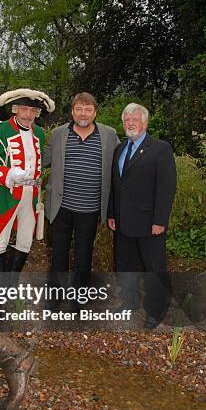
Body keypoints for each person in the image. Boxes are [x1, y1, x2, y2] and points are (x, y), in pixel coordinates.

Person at [107, 102, 177, 327]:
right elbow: (116, 185)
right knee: (126, 265)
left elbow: (167, 187)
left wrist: (160, 220)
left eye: (135, 119)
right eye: (127, 119)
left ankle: (156, 311)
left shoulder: (160, 148)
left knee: (153, 268)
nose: (130, 123)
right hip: (123, 222)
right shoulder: (120, 149)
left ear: (145, 123)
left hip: (149, 223)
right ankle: (130, 302)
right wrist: (112, 213)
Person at [44, 92, 119, 288]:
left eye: (88, 110)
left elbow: (121, 165)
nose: (83, 114)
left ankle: (80, 296)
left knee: (84, 255)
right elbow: (42, 160)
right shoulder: (59, 134)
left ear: (95, 113)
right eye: (79, 109)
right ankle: (56, 294)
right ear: (72, 112)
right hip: (61, 207)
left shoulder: (109, 135)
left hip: (90, 208)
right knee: (59, 253)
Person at [0, 88, 55, 272]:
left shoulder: (39, 133)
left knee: (25, 242)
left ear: (37, 113)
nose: (28, 115)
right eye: (24, 109)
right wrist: (7, 174)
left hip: (31, 196)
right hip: (7, 193)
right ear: (15, 109)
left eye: (33, 111)